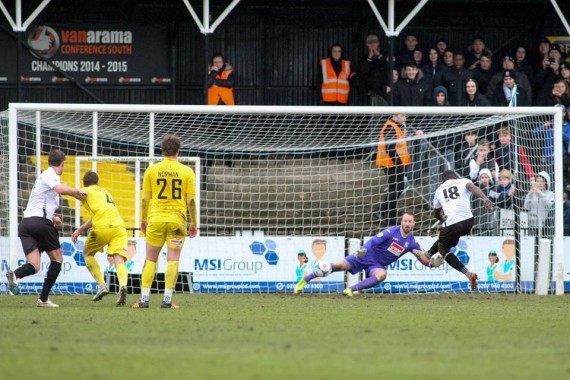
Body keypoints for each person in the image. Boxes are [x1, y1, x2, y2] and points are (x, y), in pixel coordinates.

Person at [5, 149, 87, 307]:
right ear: (62, 164)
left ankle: (15, 275)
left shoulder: (46, 178)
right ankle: (43, 299)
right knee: (57, 259)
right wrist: (77, 191)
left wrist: (52, 217)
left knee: (34, 266)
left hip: (26, 224)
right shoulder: (50, 175)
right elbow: (60, 189)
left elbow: (45, 200)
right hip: (39, 222)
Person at [132, 135, 199, 309]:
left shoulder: (151, 170)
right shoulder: (187, 171)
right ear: (179, 151)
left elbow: (145, 199)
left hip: (156, 220)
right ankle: (167, 300)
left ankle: (144, 299)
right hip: (177, 222)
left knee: (150, 259)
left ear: (162, 151)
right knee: (173, 259)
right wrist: (194, 223)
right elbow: (191, 201)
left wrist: (144, 219)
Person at [294, 212, 431, 296]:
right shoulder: (391, 231)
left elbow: (423, 259)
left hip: (377, 265)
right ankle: (303, 281)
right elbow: (373, 241)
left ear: (414, 223)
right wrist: (364, 249)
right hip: (365, 255)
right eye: (405, 221)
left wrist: (431, 263)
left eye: (409, 221)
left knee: (382, 275)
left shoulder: (412, 243)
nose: (407, 223)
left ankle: (350, 290)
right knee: (334, 266)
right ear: (401, 221)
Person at [423, 170, 495, 290]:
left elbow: (436, 213)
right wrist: (485, 199)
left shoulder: (439, 190)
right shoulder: (463, 181)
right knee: (448, 236)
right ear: (455, 177)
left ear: (443, 180)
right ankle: (429, 253)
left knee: (443, 248)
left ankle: (467, 274)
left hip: (453, 224)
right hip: (469, 222)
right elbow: (472, 187)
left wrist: (443, 220)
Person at [71, 170, 129, 306]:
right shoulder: (105, 192)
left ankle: (102, 285)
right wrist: (80, 230)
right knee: (119, 260)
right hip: (119, 227)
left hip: (103, 227)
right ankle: (123, 286)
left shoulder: (86, 191)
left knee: (87, 253)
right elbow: (96, 216)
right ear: (98, 182)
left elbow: (72, 192)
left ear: (84, 183)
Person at [375, 114, 411, 226]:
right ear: (395, 116)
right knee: (396, 188)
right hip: (391, 164)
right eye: (402, 115)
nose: (405, 118)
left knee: (395, 188)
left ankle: (389, 215)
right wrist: (399, 165)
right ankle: (383, 211)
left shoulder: (394, 126)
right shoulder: (391, 127)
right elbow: (390, 148)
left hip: (393, 163)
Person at [354, 34, 388, 106]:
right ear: (366, 45)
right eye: (370, 43)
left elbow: (388, 68)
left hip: (382, 92)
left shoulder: (385, 56)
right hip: (368, 94)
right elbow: (363, 72)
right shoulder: (363, 59)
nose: (372, 45)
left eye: (374, 43)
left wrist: (379, 55)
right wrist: (369, 58)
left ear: (378, 44)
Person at [524, 171, 555, 237]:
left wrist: (540, 194)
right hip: (531, 225)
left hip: (544, 226)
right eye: (537, 181)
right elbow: (526, 207)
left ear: (546, 183)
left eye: (542, 181)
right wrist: (529, 194)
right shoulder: (532, 194)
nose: (539, 183)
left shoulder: (550, 194)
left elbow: (549, 205)